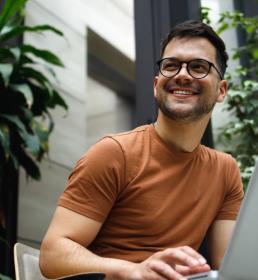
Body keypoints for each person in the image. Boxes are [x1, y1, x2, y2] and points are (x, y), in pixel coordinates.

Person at [39, 20, 244, 280]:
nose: (182, 74)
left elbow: (232, 267)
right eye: (171, 65)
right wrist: (132, 270)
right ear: (156, 84)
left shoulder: (225, 170)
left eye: (198, 67)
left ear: (221, 90)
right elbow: (52, 254)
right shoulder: (114, 153)